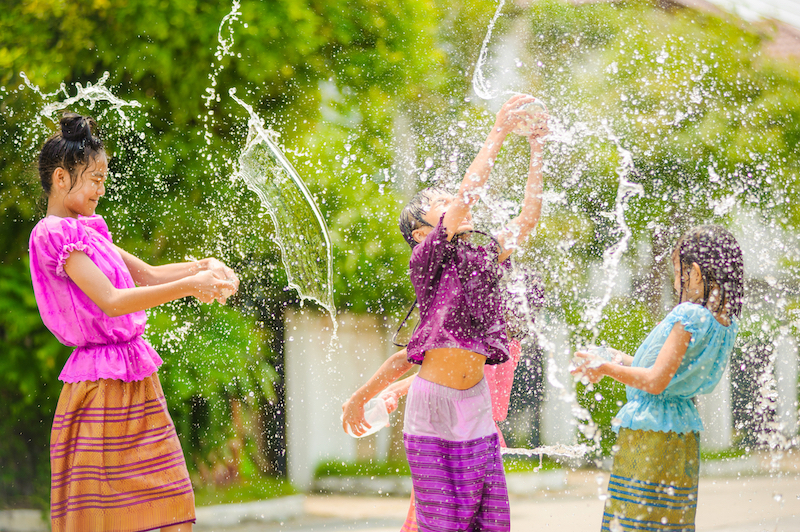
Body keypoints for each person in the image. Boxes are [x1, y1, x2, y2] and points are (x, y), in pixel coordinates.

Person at [342, 94, 548, 532]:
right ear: (422, 233)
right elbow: (469, 194)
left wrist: (537, 146)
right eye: (439, 201)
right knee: (441, 524)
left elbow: (529, 219)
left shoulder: (485, 253)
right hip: (432, 406)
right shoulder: (428, 262)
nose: (452, 199)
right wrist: (499, 131)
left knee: (489, 522)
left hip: (474, 405)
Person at [29, 112, 238, 532]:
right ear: (61, 179)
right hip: (100, 385)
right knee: (106, 513)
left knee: (165, 497)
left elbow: (151, 274)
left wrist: (203, 267)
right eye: (95, 179)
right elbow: (111, 301)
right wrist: (193, 285)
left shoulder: (90, 230)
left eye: (104, 179)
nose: (101, 190)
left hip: (134, 375)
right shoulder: (53, 233)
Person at [571, 225, 744, 532]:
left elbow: (654, 382)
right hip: (682, 432)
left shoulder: (689, 316)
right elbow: (661, 372)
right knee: (669, 522)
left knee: (632, 521)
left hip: (651, 433)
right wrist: (611, 358)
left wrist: (606, 369)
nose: (676, 280)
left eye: (678, 272)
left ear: (695, 272)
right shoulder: (724, 324)